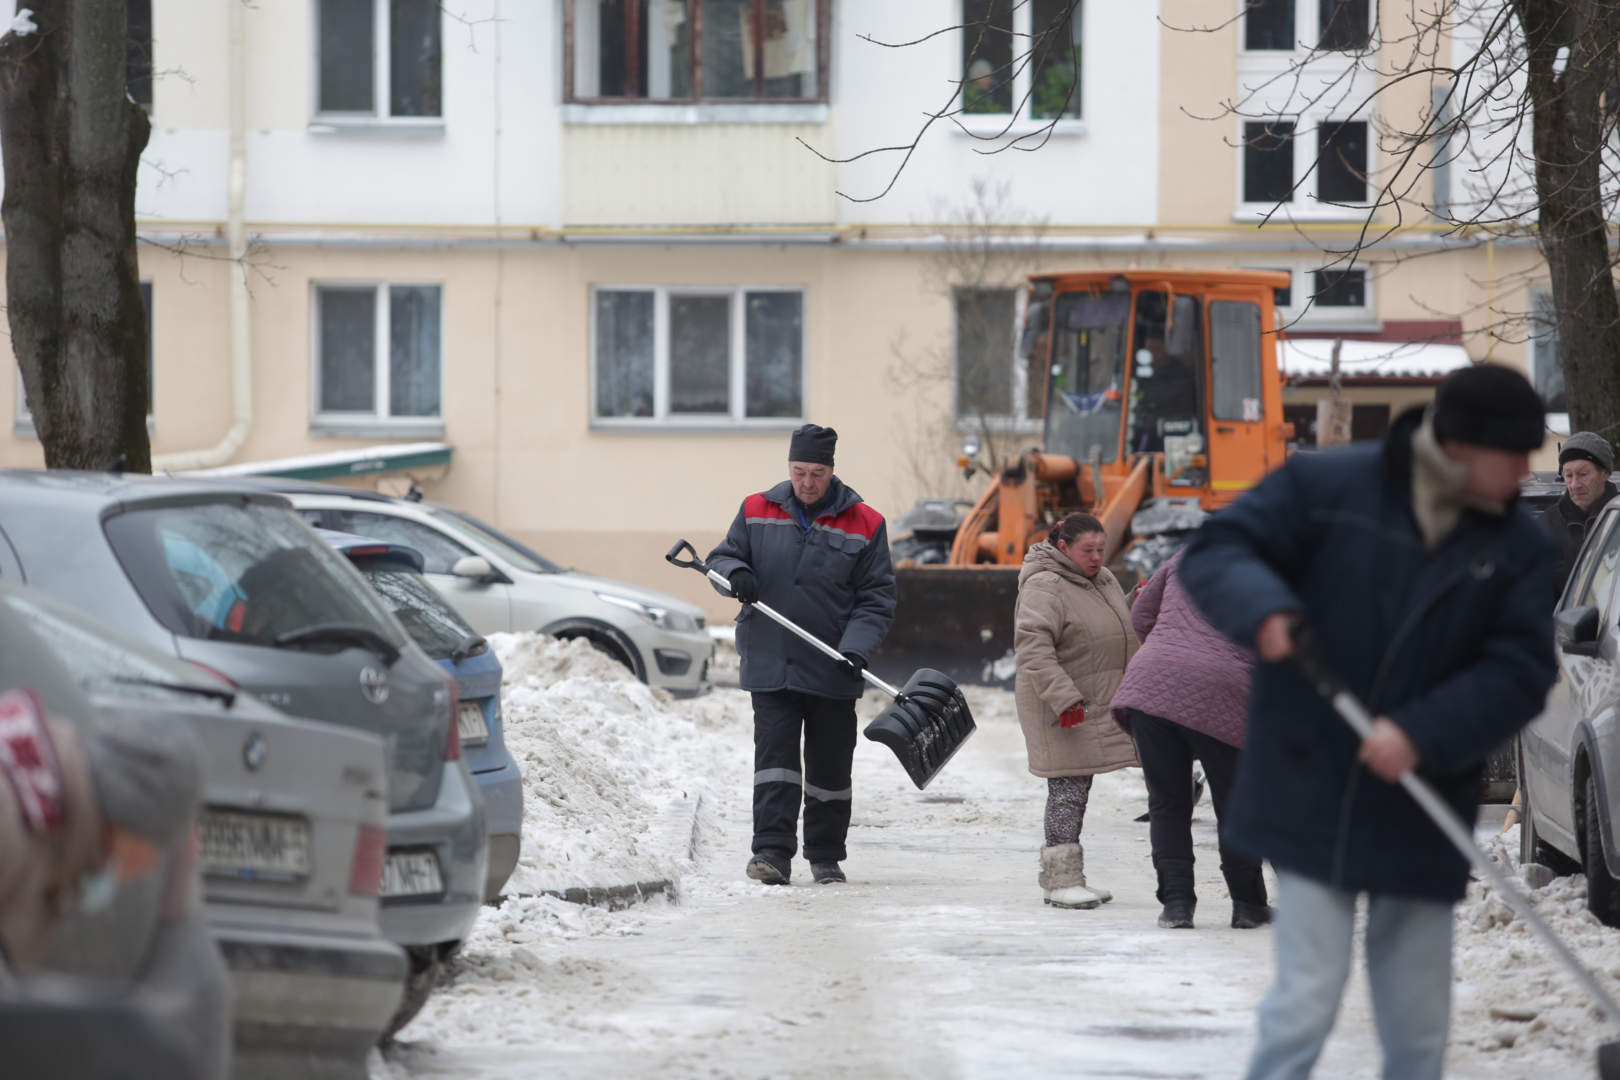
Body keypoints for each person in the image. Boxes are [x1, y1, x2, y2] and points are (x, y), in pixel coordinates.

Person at [1179, 363, 1557, 1080]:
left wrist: (1422, 731)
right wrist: (1264, 608)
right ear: (1458, 445)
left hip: (1423, 793)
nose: (1524, 474)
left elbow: (1521, 669)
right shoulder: (1328, 488)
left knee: (1418, 1025)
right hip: (1310, 777)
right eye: (1513, 456)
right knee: (1306, 1000)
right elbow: (1222, 549)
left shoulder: (1518, 546)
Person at [706, 424, 896, 887]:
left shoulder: (866, 523)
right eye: (799, 471)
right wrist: (736, 575)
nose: (807, 482)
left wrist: (856, 648)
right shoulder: (755, 510)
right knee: (775, 762)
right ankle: (771, 854)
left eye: (816, 472)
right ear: (788, 467)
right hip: (771, 660)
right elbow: (721, 559)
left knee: (831, 765)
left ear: (831, 470)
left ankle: (826, 854)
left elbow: (876, 598)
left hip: (832, 664)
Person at [1111, 547, 1264, 930]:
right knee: (1235, 805)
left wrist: (1171, 649)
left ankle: (1177, 906)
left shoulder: (1185, 556)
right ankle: (1247, 905)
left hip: (1152, 682)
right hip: (1222, 688)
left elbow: (1141, 614)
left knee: (1167, 802)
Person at [1013, 513, 1140, 909]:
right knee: (1067, 788)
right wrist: (1064, 699)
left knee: (1078, 786)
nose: (1097, 557)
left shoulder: (1101, 579)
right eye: (1088, 550)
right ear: (1063, 547)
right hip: (1061, 703)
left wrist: (1137, 601)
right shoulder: (1044, 585)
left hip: (1095, 699)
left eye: (1102, 550)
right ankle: (1061, 879)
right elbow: (1033, 646)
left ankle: (1065, 878)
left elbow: (1104, 626)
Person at [1541, 430, 1617, 595]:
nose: (1575, 484)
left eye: (1583, 474)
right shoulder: (1547, 524)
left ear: (1605, 473)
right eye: (1568, 475)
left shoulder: (1616, 518)